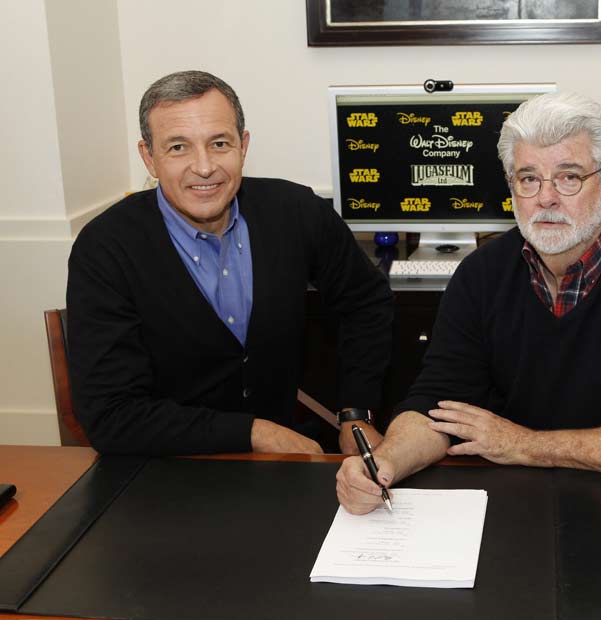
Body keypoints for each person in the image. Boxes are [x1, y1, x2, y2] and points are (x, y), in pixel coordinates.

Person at [336, 92, 601, 514]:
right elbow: (438, 405)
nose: (546, 198)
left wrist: (522, 444)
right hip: (511, 506)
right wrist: (385, 464)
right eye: (528, 178)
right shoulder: (481, 274)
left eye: (569, 177)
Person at [67, 71, 393, 456]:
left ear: (243, 145)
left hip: (285, 470)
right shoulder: (105, 248)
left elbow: (366, 302)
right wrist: (255, 433)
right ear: (149, 157)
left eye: (219, 143)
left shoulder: (297, 212)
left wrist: (356, 411)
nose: (204, 167)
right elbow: (111, 416)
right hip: (164, 469)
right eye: (178, 148)